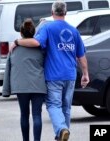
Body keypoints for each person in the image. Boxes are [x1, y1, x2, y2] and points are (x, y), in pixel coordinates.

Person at [11, 1, 90, 141]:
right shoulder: (74, 31)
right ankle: (63, 134)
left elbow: (36, 42)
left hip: (54, 76)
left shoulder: (48, 28)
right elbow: (81, 56)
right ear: (65, 13)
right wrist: (85, 74)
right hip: (70, 75)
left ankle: (61, 129)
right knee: (66, 107)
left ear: (52, 12)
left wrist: (17, 42)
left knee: (54, 105)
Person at [2, 18, 47, 141]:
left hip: (21, 86)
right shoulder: (40, 47)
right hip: (38, 85)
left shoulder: (14, 48)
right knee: (37, 115)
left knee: (24, 115)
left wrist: (6, 90)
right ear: (33, 32)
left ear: (21, 33)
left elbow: (8, 69)